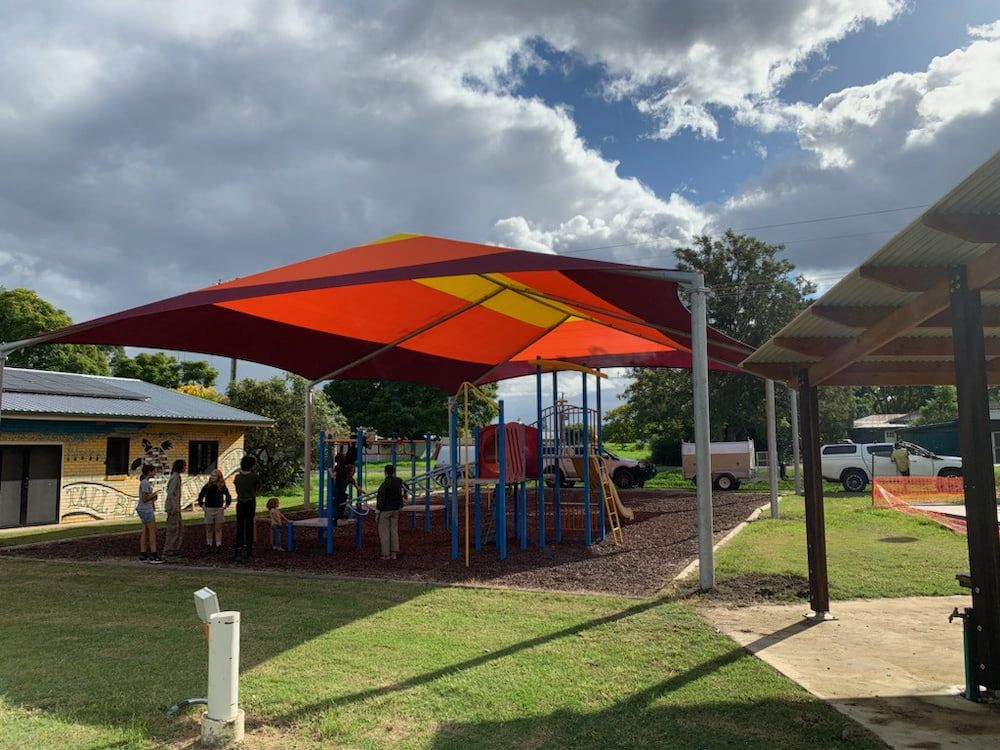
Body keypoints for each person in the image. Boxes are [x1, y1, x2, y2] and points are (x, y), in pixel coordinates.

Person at [375, 464, 407, 561]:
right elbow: (406, 486)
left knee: (384, 532)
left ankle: (385, 554)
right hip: (396, 509)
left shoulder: (384, 484)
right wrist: (405, 494)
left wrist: (377, 512)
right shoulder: (398, 480)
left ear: (385, 472)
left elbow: (380, 498)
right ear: (393, 471)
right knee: (394, 531)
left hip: (385, 510)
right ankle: (394, 553)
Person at [232, 455, 262, 560]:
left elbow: (237, 487)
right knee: (249, 525)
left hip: (240, 502)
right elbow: (258, 488)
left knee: (240, 526)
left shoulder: (237, 477)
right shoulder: (254, 477)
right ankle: (249, 549)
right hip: (250, 502)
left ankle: (238, 549)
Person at [136, 464, 164, 564]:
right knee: (152, 532)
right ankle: (154, 554)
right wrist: (155, 494)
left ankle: (143, 552)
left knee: (145, 531)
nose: (155, 473)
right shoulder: (145, 483)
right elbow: (144, 498)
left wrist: (152, 497)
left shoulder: (145, 483)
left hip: (143, 509)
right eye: (154, 471)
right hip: (146, 510)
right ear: (149, 472)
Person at [198, 468, 232, 551]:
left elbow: (228, 495)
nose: (212, 477)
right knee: (209, 528)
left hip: (218, 509)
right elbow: (200, 496)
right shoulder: (207, 486)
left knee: (218, 528)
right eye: (212, 475)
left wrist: (226, 505)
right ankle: (209, 544)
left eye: (214, 476)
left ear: (218, 477)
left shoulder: (221, 486)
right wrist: (203, 506)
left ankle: (218, 544)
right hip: (209, 508)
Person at [163, 459, 186, 556]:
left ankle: (175, 548)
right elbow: (171, 494)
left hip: (176, 507)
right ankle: (169, 549)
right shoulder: (175, 478)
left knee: (179, 528)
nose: (185, 468)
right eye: (184, 466)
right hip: (173, 507)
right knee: (173, 528)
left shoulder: (177, 477)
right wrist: (174, 507)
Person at [331, 455, 362, 524]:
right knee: (340, 503)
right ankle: (337, 517)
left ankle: (337, 517)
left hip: (338, 488)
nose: (353, 473)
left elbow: (333, 475)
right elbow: (357, 487)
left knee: (338, 503)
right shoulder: (345, 470)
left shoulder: (338, 468)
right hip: (341, 489)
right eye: (352, 471)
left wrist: (330, 470)